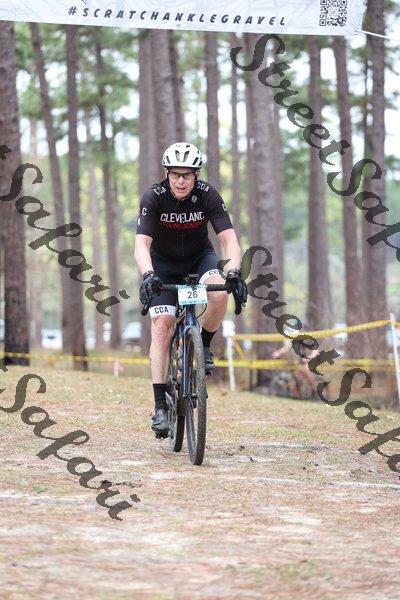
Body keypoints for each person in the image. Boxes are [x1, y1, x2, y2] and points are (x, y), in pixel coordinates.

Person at [134, 142, 247, 437]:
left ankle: (204, 346)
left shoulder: (208, 195)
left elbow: (229, 240)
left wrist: (234, 272)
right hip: (162, 266)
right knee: (162, 326)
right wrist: (148, 275)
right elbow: (141, 244)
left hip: (199, 260)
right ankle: (160, 406)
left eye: (187, 175)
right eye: (175, 174)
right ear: (167, 174)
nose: (181, 181)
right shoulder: (154, 197)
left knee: (219, 293)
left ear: (197, 175)